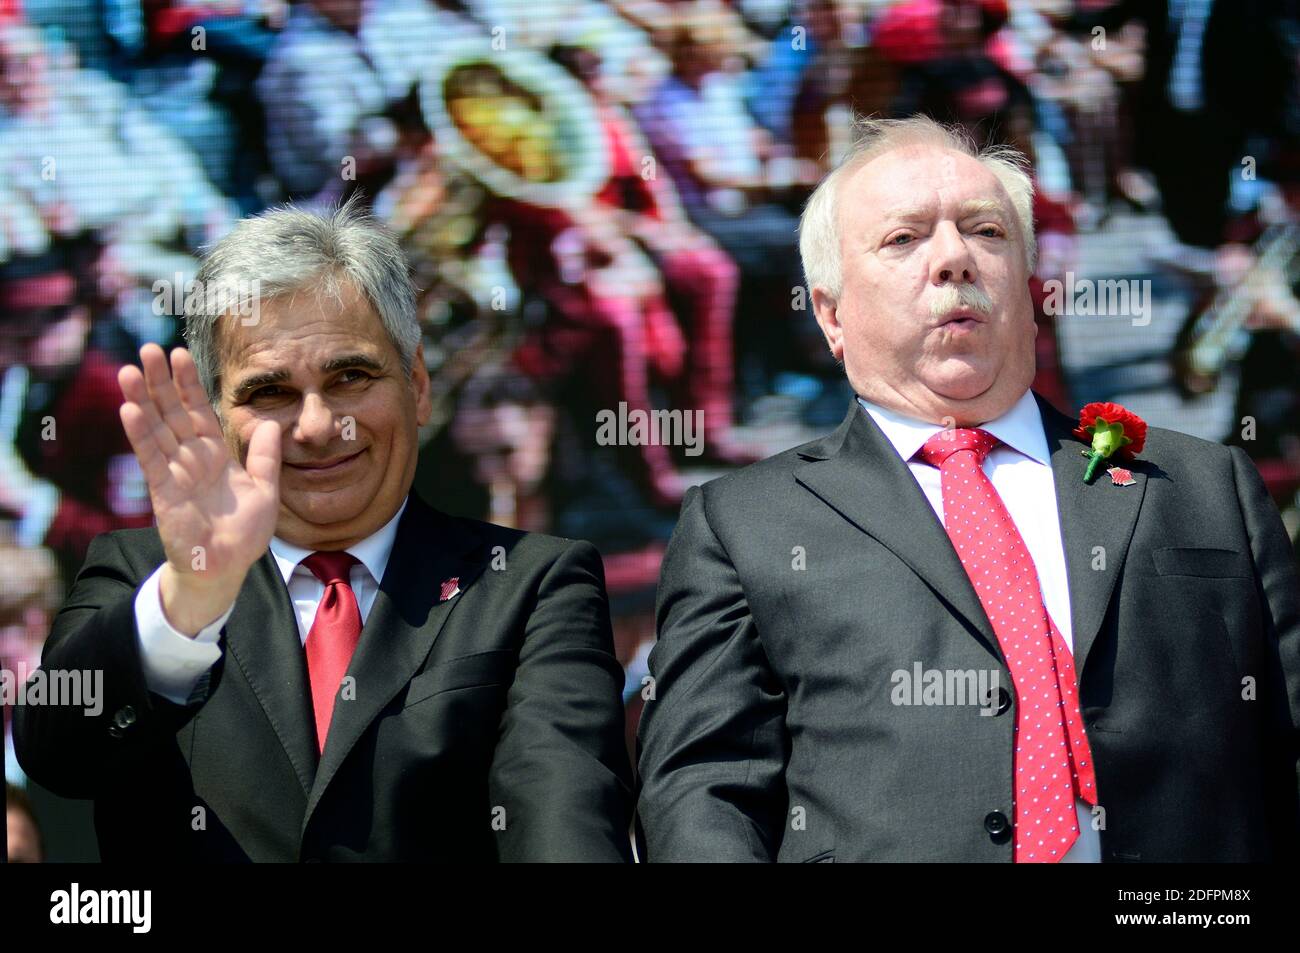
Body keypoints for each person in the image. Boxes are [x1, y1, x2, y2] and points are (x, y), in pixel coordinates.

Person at [636, 115, 1300, 862]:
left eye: (986, 232)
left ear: (1025, 282)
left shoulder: (1204, 486)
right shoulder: (745, 524)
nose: (954, 258)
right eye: (903, 238)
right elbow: (705, 787)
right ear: (831, 314)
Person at [14, 198, 634, 861]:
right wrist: (191, 600)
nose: (315, 425)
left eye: (350, 376)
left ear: (418, 384)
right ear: (217, 416)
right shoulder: (145, 579)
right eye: (269, 393)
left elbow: (565, 819)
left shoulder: (535, 584)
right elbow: (58, 756)